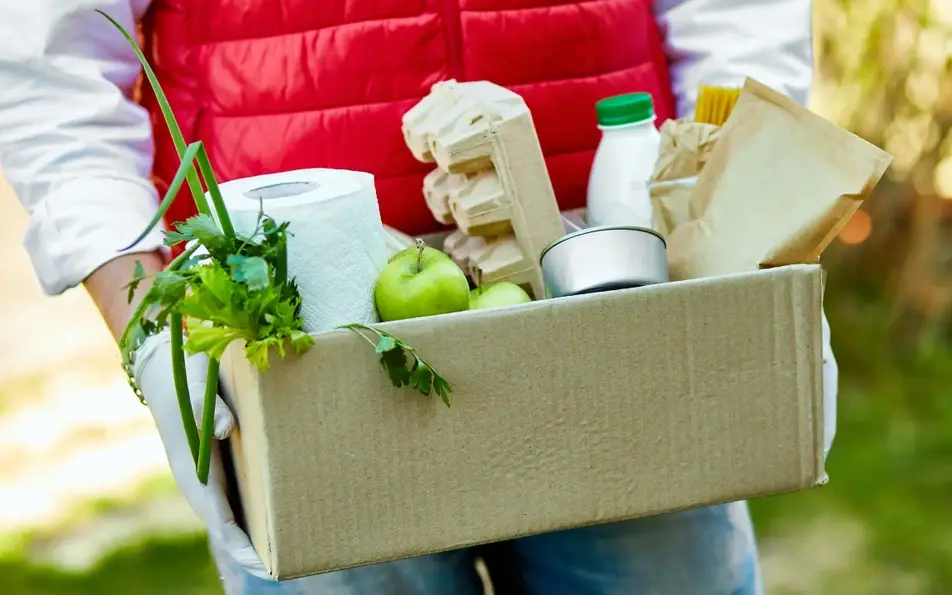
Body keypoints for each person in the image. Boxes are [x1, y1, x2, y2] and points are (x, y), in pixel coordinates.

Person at [0, 1, 838, 593]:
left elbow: (734, 14)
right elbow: (52, 63)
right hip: (307, 346)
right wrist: (154, 323)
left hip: (616, 300)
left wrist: (745, 236)